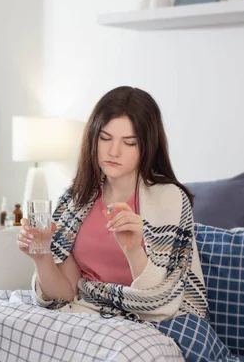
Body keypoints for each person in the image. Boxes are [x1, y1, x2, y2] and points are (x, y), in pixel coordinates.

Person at [16, 86, 209, 323]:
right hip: (83, 317)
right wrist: (42, 254)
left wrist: (133, 250)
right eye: (105, 138)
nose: (113, 151)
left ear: (147, 146)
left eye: (129, 143)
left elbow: (161, 304)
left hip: (144, 324)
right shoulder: (76, 198)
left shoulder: (169, 198)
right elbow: (63, 296)